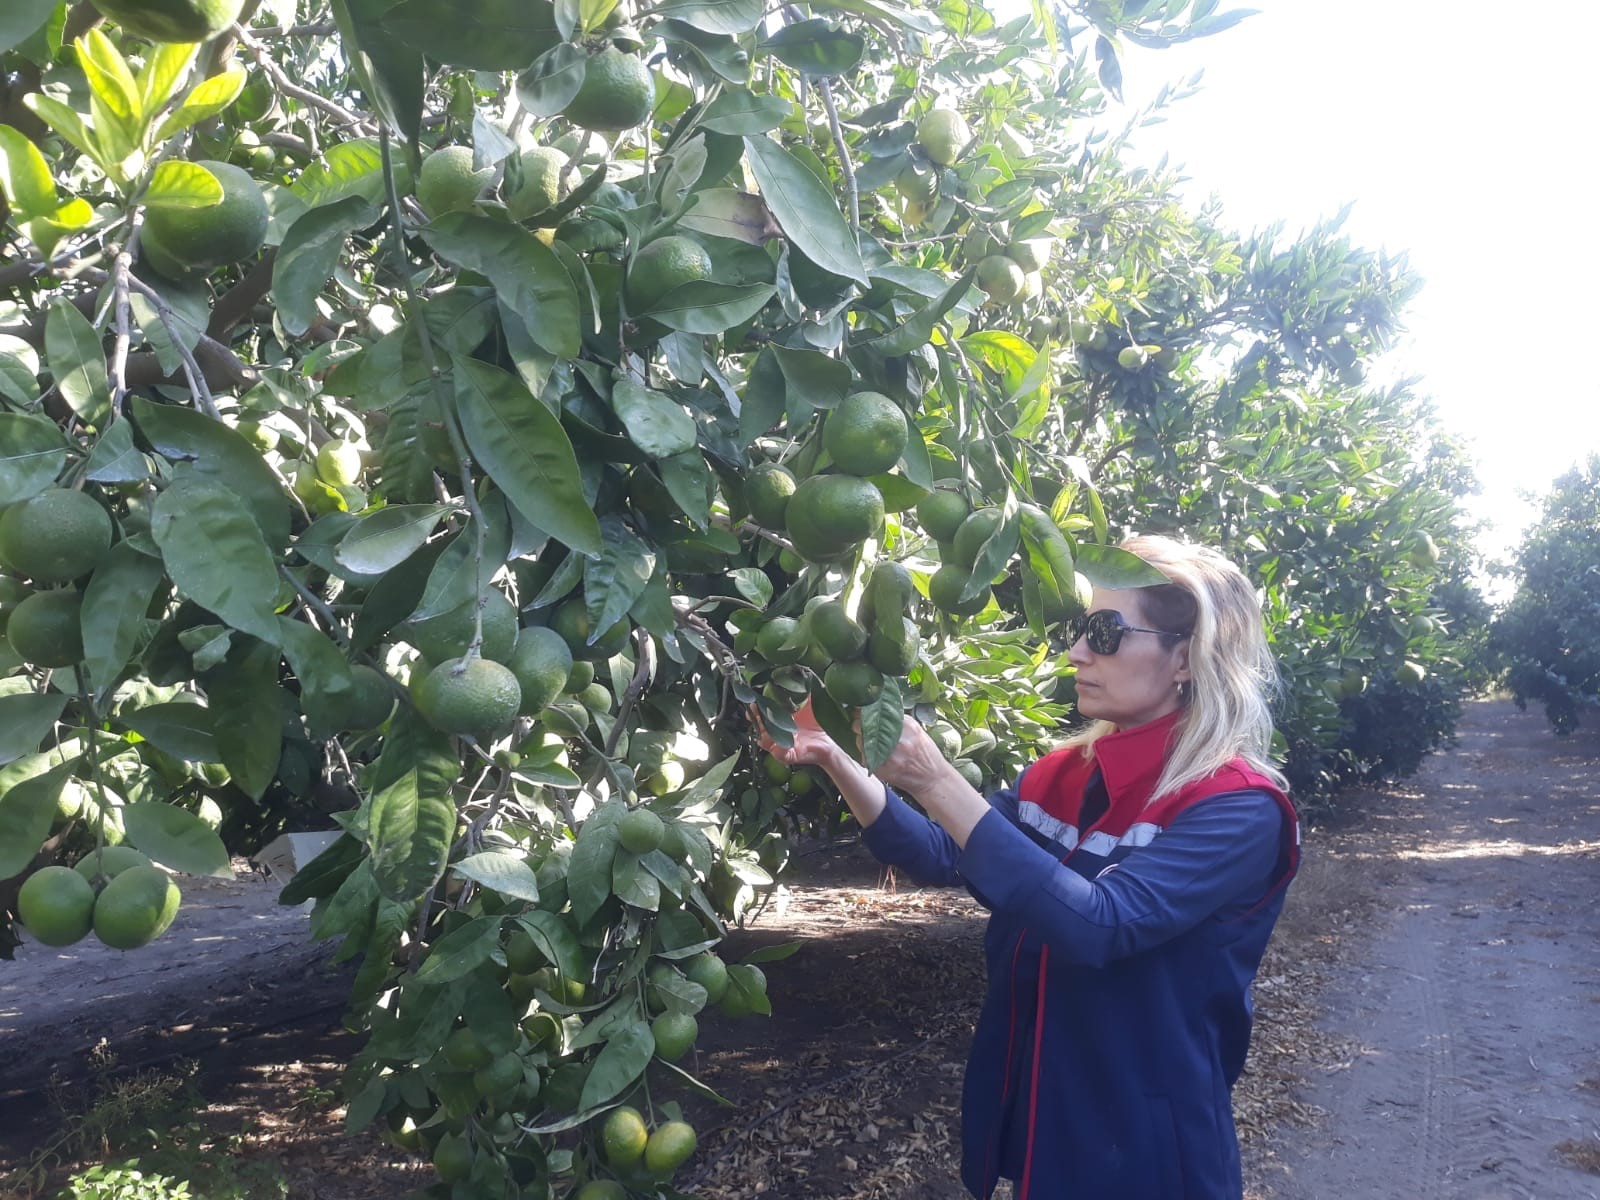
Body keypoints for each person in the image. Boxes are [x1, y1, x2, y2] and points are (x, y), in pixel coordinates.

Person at [760, 535, 1300, 1200]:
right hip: (1043, 1106)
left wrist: (935, 778)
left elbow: (1099, 926)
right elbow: (944, 853)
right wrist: (841, 761)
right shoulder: (1063, 775)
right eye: (1080, 629)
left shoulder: (1237, 807)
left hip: (1145, 1142)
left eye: (1104, 632)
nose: (1077, 652)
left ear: (1186, 656)